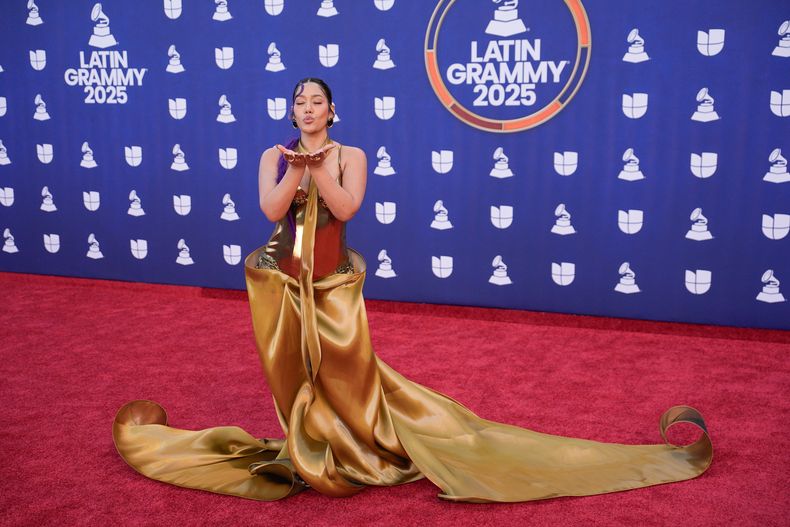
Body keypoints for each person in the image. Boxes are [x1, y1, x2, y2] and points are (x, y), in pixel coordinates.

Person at [113, 78, 712, 503]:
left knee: (349, 370)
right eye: (298, 101)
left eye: (316, 101)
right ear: (291, 110)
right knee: (292, 371)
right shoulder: (275, 154)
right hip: (280, 282)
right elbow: (270, 210)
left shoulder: (351, 154)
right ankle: (311, 441)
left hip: (333, 285)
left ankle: (363, 447)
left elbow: (347, 206)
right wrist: (293, 166)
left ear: (332, 110)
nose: (306, 108)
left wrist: (318, 165)